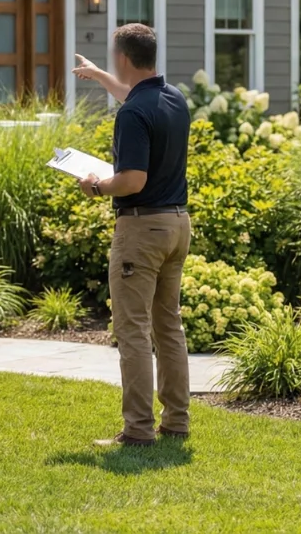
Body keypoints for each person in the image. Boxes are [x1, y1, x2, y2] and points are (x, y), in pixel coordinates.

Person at [73, 24, 192, 447]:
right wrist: (99, 76)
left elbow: (133, 180)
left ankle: (138, 430)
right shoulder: (173, 99)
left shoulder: (132, 113)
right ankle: (176, 421)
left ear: (123, 58)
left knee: (134, 330)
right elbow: (136, 98)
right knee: (168, 327)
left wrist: (97, 186)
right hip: (178, 224)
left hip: (142, 228)